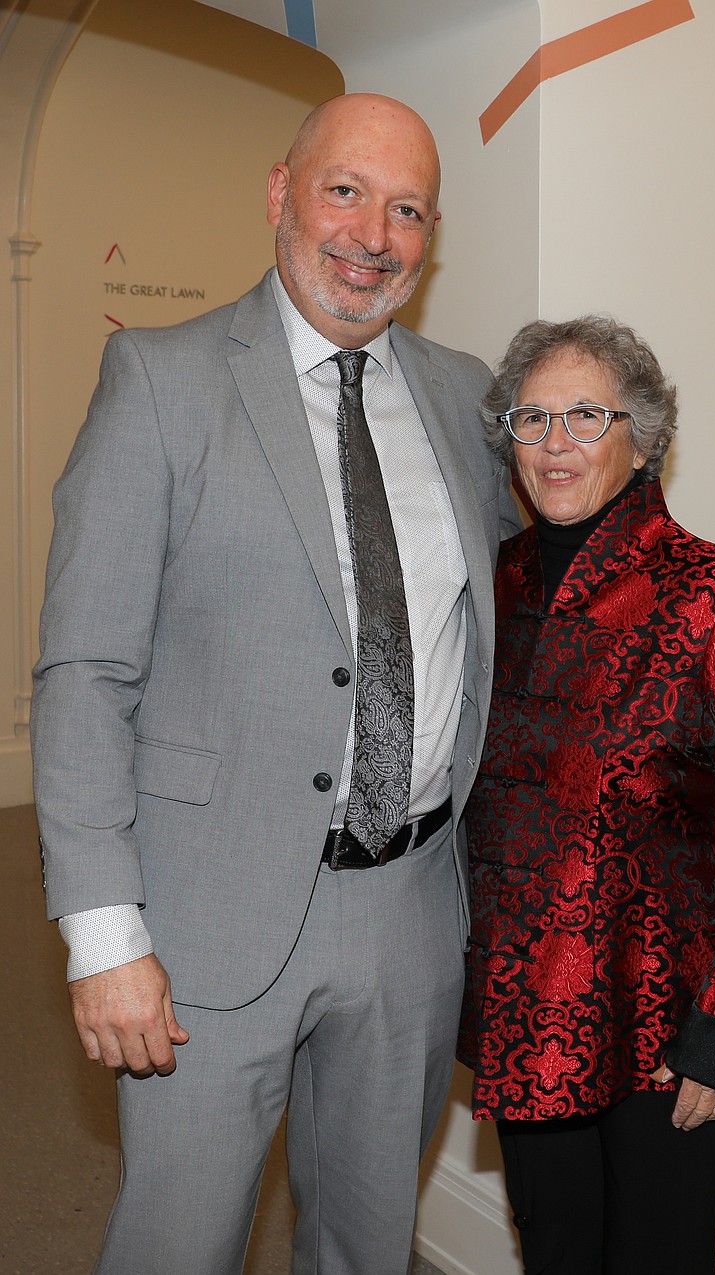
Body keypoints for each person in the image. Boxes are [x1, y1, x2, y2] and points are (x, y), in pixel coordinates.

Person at [31, 93, 521, 1275]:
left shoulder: (464, 396)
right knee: (178, 1241)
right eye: (344, 191)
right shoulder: (160, 378)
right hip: (208, 910)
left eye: (406, 209)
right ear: (279, 195)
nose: (372, 234)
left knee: (365, 1239)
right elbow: (86, 669)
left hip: (411, 906)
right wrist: (104, 934)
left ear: (432, 234)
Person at [457, 316, 715, 1275]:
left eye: (586, 413)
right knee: (555, 1248)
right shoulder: (492, 584)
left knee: (658, 1257)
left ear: (644, 436)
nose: (556, 442)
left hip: (662, 1023)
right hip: (524, 1011)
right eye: (531, 419)